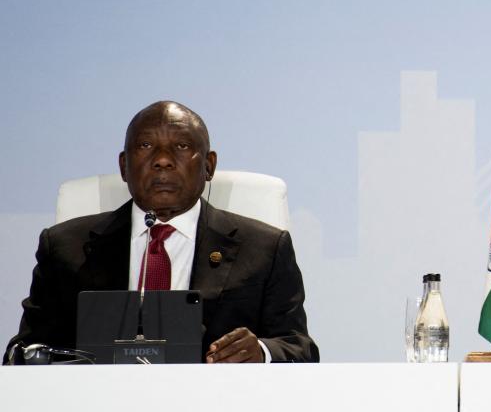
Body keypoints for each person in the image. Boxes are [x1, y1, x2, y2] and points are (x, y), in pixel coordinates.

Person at [6, 101, 318, 364]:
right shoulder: (63, 247)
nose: (162, 161)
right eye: (145, 146)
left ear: (209, 166)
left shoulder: (264, 248)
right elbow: (21, 354)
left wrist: (260, 352)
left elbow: (300, 349)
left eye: (181, 147)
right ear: (124, 166)